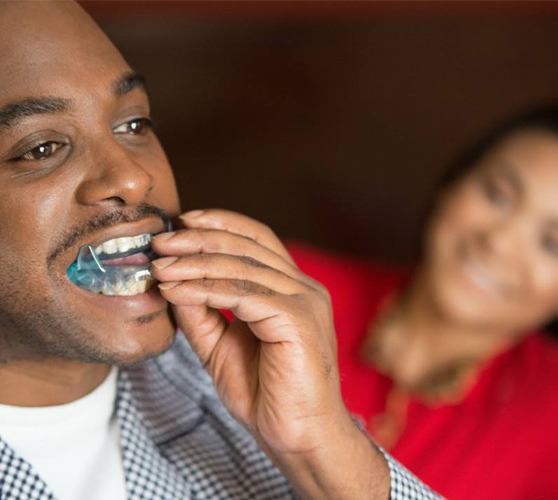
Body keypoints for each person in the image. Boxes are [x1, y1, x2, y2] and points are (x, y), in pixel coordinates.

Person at [0, 1, 439, 499]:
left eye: (133, 125)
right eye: (40, 149)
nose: (133, 176)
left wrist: (319, 449)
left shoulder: (230, 383)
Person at [289, 105, 558, 499]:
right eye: (497, 195)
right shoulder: (289, 285)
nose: (499, 242)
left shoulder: (548, 423)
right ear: (451, 185)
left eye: (552, 243)